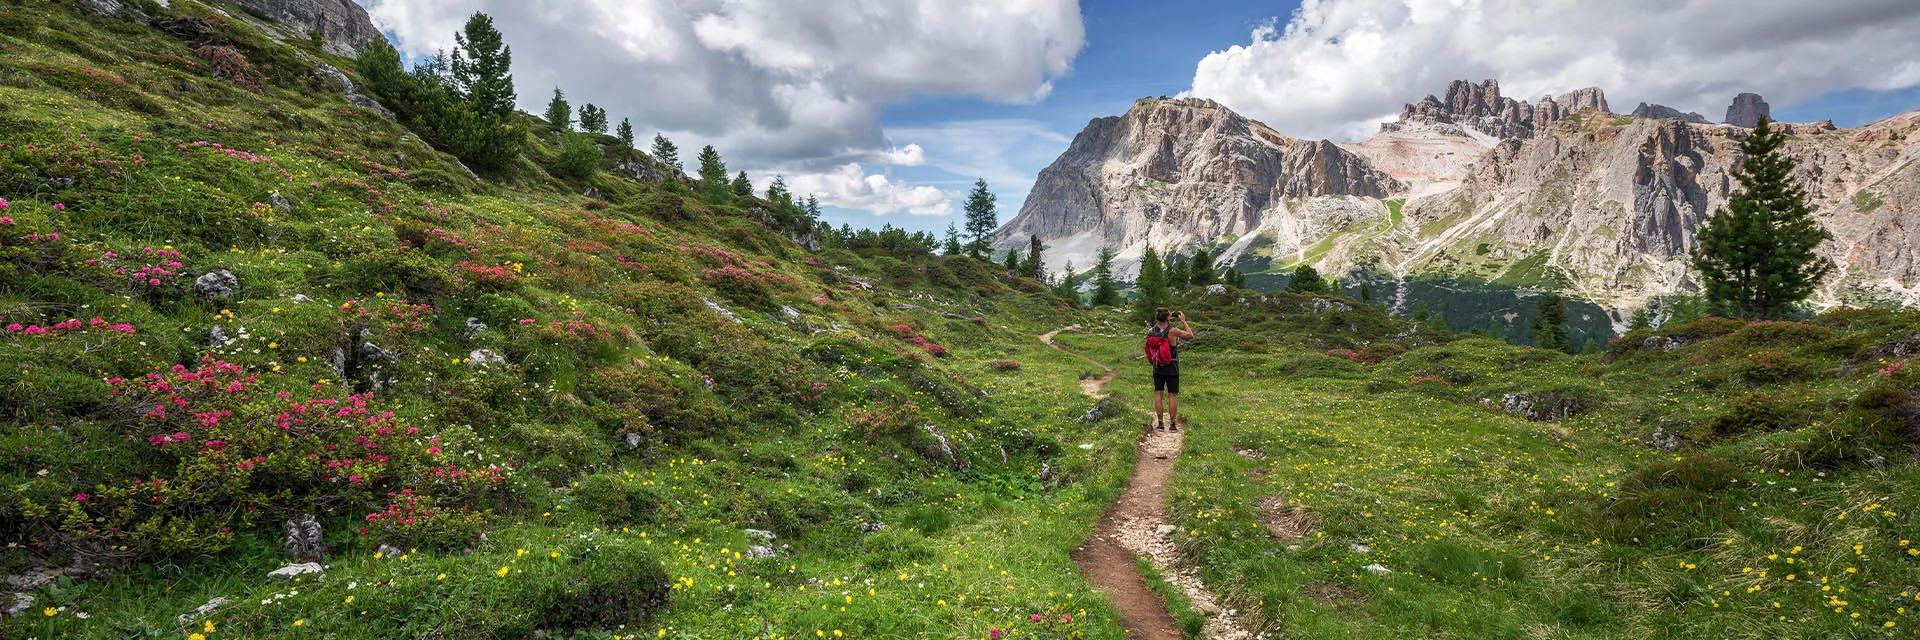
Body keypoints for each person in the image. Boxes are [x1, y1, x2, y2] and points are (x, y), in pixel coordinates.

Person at [1146, 307, 1194, 431]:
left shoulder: (1151, 331)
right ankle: (1172, 425)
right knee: (1172, 395)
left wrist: (1167, 317)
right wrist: (1183, 321)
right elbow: (1190, 335)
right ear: (1168, 318)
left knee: (1158, 393)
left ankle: (1160, 424)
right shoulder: (1172, 331)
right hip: (1171, 366)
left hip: (1158, 367)